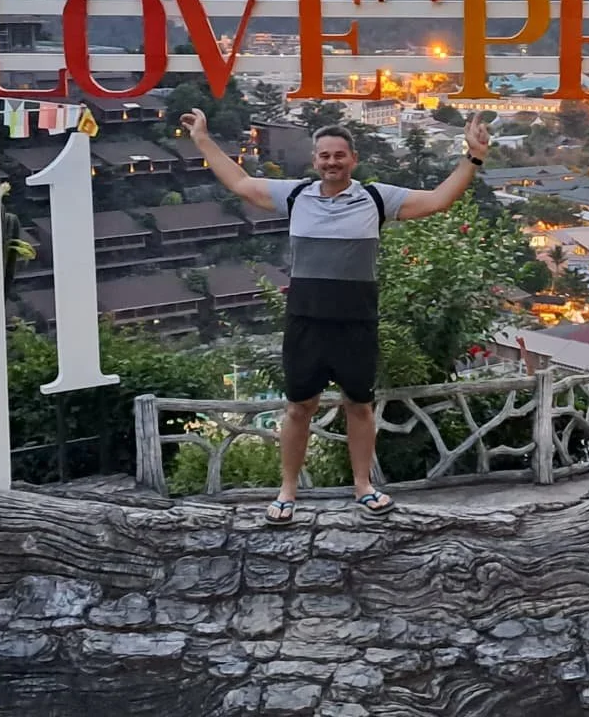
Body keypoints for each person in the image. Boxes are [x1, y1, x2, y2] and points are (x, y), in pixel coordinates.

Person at [179, 108, 491, 524]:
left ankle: (363, 486)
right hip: (305, 320)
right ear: (314, 161)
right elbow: (238, 182)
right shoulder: (295, 195)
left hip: (356, 321)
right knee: (298, 407)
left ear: (353, 159)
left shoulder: (376, 198)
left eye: (339, 155)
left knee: (359, 406)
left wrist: (473, 158)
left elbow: (437, 200)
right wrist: (202, 137)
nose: (332, 162)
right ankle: (287, 491)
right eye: (324, 156)